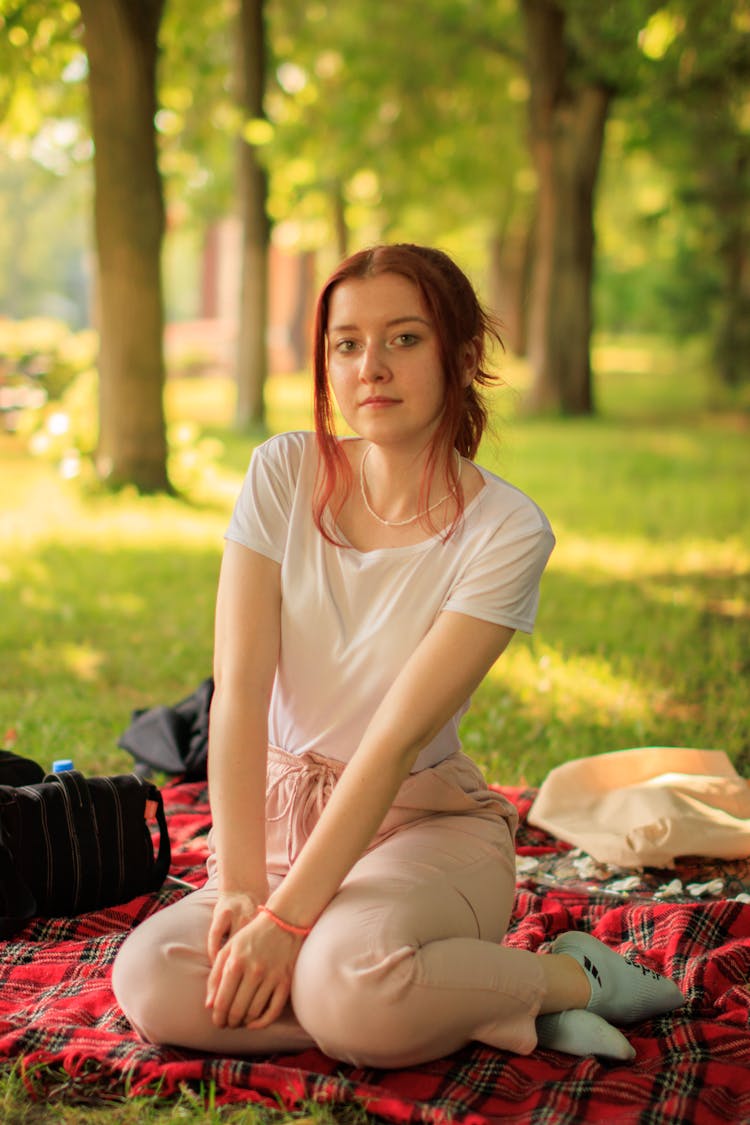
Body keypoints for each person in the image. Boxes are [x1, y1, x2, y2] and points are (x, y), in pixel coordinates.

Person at [112, 243, 683, 1067]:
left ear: (461, 354)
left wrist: (284, 925)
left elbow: (391, 741)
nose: (369, 366)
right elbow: (237, 690)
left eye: (404, 338)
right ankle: (446, 999)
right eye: (346, 344)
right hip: (279, 825)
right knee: (154, 980)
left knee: (350, 989)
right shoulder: (282, 470)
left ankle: (569, 979)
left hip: (424, 827)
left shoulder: (506, 529)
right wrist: (240, 888)